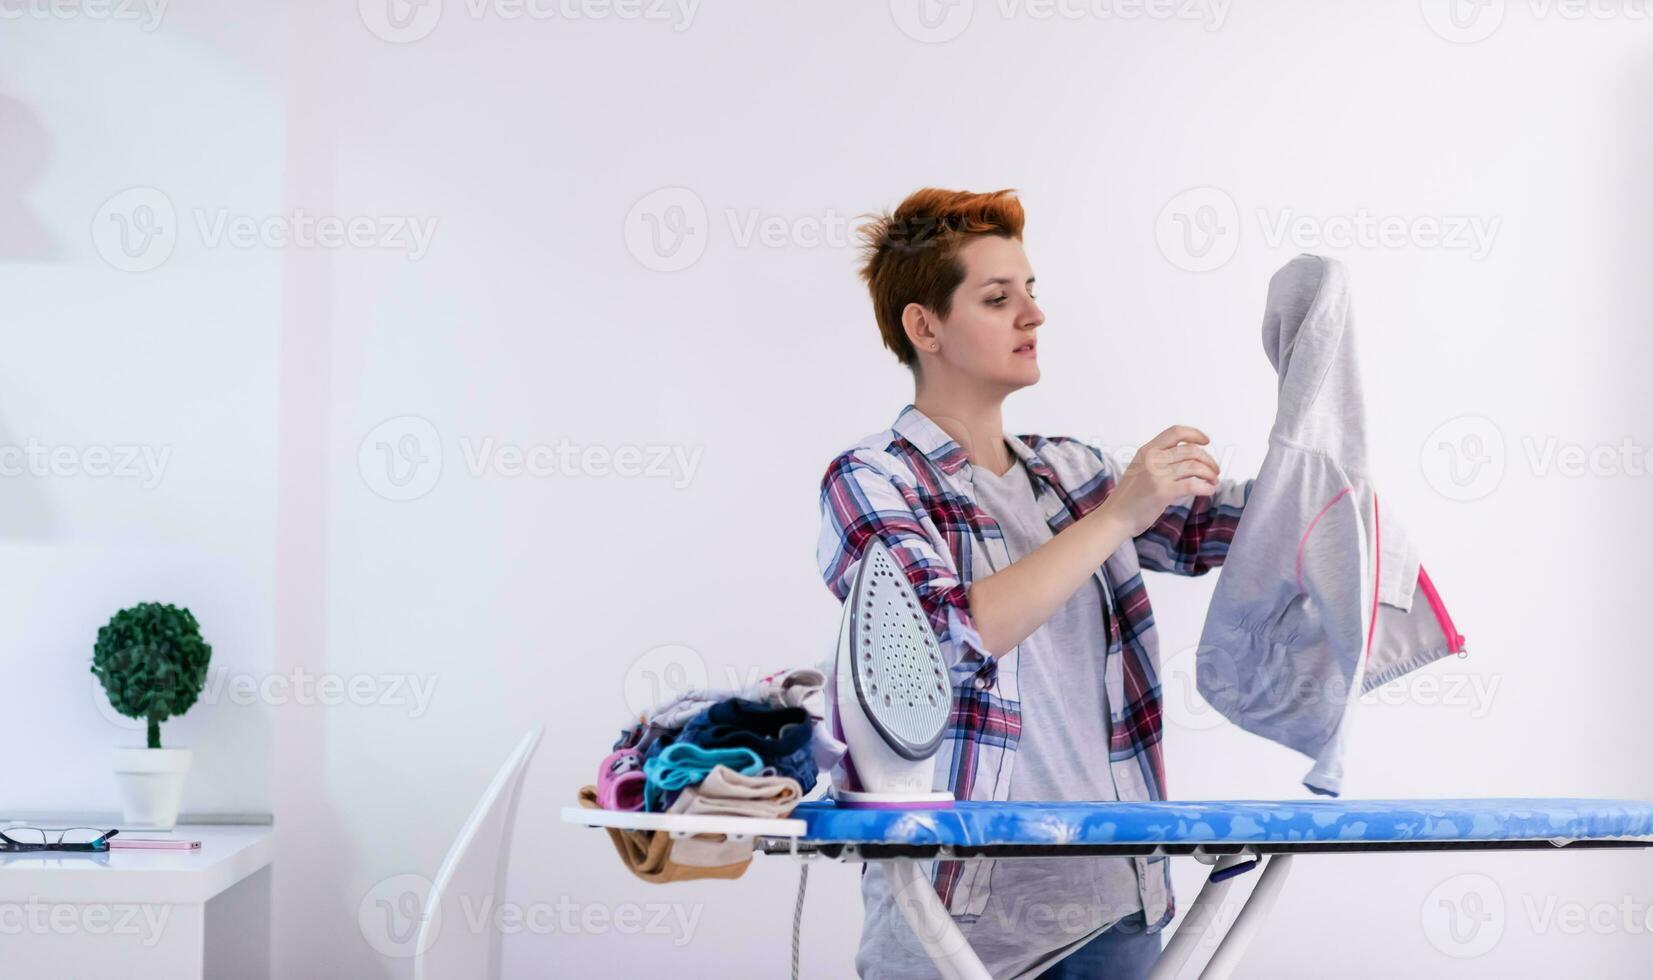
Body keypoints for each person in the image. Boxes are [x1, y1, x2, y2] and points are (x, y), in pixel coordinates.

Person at [815, 187, 1255, 979]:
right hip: (954, 929)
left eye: (1031, 292)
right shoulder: (872, 480)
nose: (1032, 315)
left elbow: (1227, 534)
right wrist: (1119, 516)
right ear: (925, 328)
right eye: (996, 297)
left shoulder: (1072, 474)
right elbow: (945, 637)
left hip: (1115, 911)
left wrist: (1319, 435)